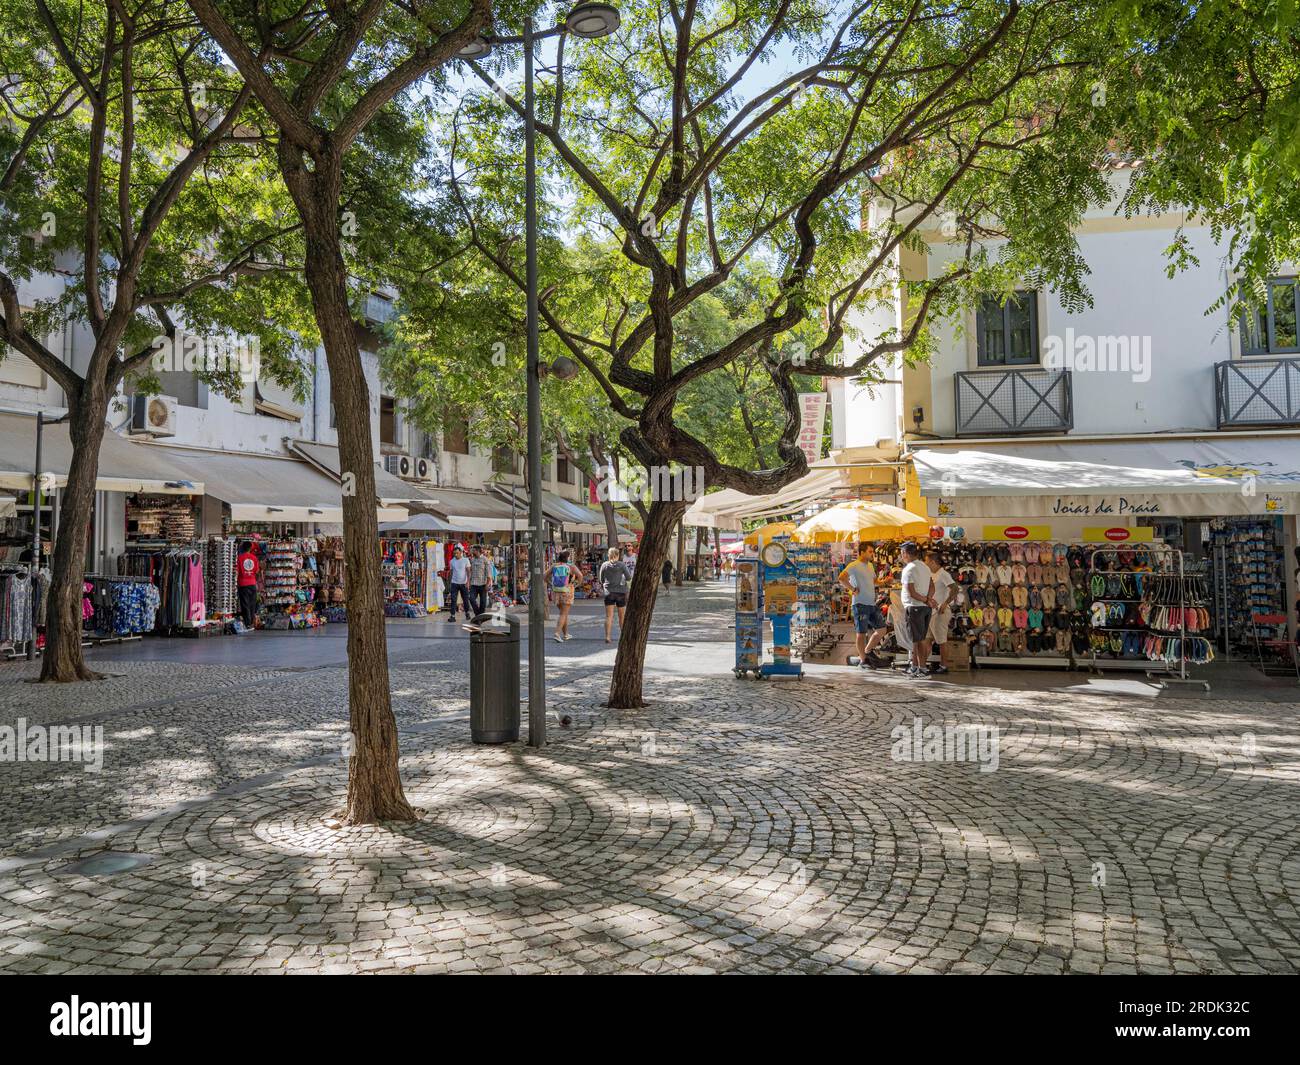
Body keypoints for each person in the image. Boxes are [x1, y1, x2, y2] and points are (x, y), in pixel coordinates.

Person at [838, 542, 889, 670]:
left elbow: (874, 582)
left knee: (882, 630)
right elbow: (841, 577)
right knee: (861, 633)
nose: (872, 554)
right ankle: (863, 661)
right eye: (870, 551)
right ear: (862, 552)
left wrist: (884, 582)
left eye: (872, 552)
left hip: (871, 603)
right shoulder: (854, 565)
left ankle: (867, 651)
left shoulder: (870, 566)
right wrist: (852, 589)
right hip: (860, 604)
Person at [899, 541, 936, 678]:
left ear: (906, 554)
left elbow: (911, 592)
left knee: (919, 640)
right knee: (917, 639)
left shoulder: (909, 569)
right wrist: (929, 599)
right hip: (925, 608)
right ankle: (915, 667)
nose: (901, 556)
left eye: (902, 553)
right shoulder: (924, 567)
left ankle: (922, 669)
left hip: (914, 607)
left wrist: (927, 600)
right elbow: (932, 586)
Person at [925, 553, 957, 676]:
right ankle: (921, 665)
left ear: (933, 562)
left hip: (940, 612)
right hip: (931, 611)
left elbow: (955, 588)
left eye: (927, 561)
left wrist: (945, 603)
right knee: (927, 640)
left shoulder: (943, 574)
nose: (926, 563)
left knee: (941, 640)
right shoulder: (932, 574)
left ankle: (944, 666)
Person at [598, 547, 631, 643]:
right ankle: (623, 637)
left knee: (609, 616)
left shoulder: (604, 565)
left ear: (609, 555)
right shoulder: (622, 565)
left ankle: (608, 637)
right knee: (622, 616)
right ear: (618, 555)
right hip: (621, 592)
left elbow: (601, 579)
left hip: (609, 592)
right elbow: (628, 577)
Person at [548, 550, 576, 642]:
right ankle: (557, 633)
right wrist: (575, 584)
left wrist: (550, 584)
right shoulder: (571, 566)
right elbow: (580, 576)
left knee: (564, 614)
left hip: (556, 592)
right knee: (563, 614)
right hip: (567, 591)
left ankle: (566, 634)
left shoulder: (554, 566)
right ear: (567, 558)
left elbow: (544, 576)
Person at [235, 540, 259, 629]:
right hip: (252, 583)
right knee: (252, 603)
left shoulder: (240, 558)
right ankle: (252, 622)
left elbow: (237, 571)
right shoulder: (254, 558)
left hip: (243, 583)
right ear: (251, 548)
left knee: (244, 604)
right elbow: (256, 571)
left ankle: (247, 623)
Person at [446, 546, 471, 622]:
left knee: (465, 600)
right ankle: (452, 616)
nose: (455, 555)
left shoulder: (465, 560)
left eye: (457, 553)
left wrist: (468, 582)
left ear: (461, 553)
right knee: (453, 600)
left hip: (464, 583)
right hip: (454, 583)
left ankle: (467, 613)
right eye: (454, 553)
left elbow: (468, 571)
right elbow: (451, 572)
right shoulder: (452, 561)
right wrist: (450, 583)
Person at [468, 545, 491, 617]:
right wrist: (468, 582)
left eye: (473, 550)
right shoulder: (472, 560)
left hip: (483, 584)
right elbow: (470, 571)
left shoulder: (485, 559)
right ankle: (478, 614)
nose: (472, 551)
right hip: (474, 584)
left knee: (483, 602)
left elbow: (488, 573)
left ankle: (480, 617)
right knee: (471, 599)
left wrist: (487, 584)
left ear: (477, 551)